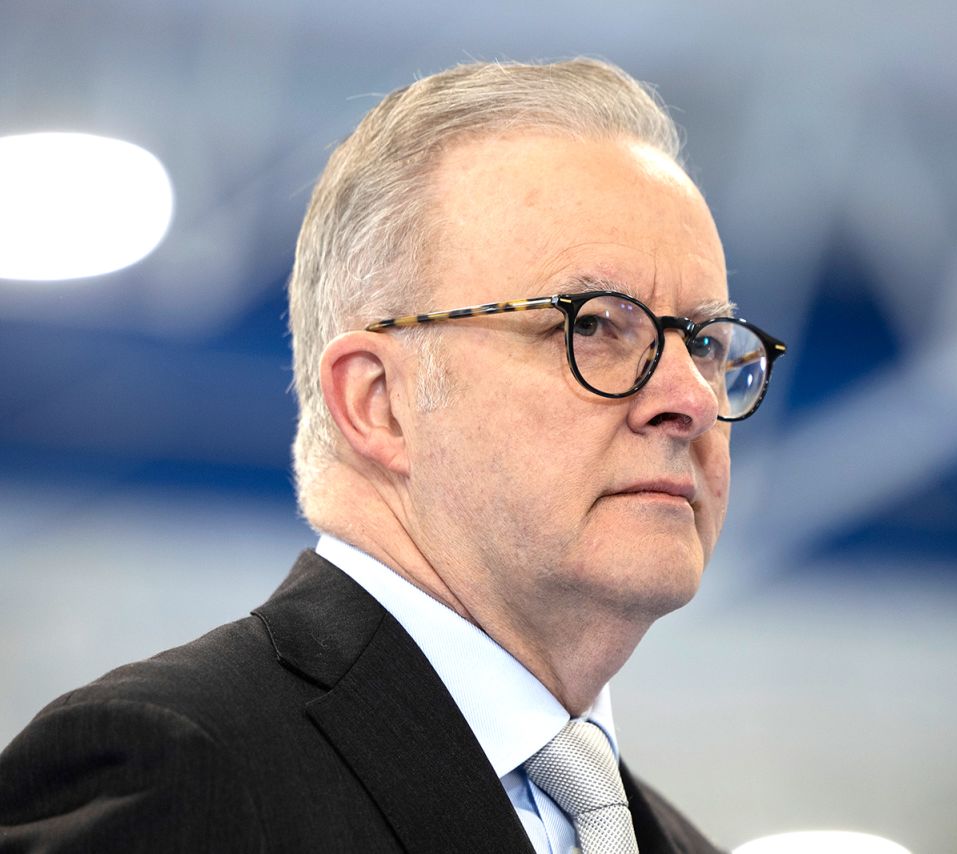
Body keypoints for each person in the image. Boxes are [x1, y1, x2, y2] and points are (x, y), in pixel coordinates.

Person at [0, 58, 785, 853]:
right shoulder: (179, 772)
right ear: (378, 402)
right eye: (593, 326)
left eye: (709, 343)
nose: (689, 397)